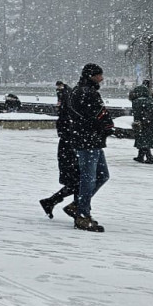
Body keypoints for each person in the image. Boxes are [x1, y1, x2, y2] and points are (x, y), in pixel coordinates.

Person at [66, 63, 112, 232]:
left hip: (90, 139)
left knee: (101, 175)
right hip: (88, 140)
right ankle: (82, 215)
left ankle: (78, 205)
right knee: (90, 177)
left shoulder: (81, 91)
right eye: (99, 75)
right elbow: (98, 114)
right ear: (92, 75)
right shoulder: (86, 92)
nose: (102, 78)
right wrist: (106, 124)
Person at [39, 81, 80, 219]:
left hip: (68, 147)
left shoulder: (65, 113)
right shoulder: (69, 113)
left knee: (77, 181)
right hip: (71, 147)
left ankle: (53, 202)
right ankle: (76, 209)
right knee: (79, 181)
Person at [129, 80, 153, 164]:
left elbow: (137, 114)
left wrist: (137, 123)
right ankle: (140, 156)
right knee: (145, 139)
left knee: (143, 140)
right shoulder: (151, 100)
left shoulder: (137, 101)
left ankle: (149, 157)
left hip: (143, 123)